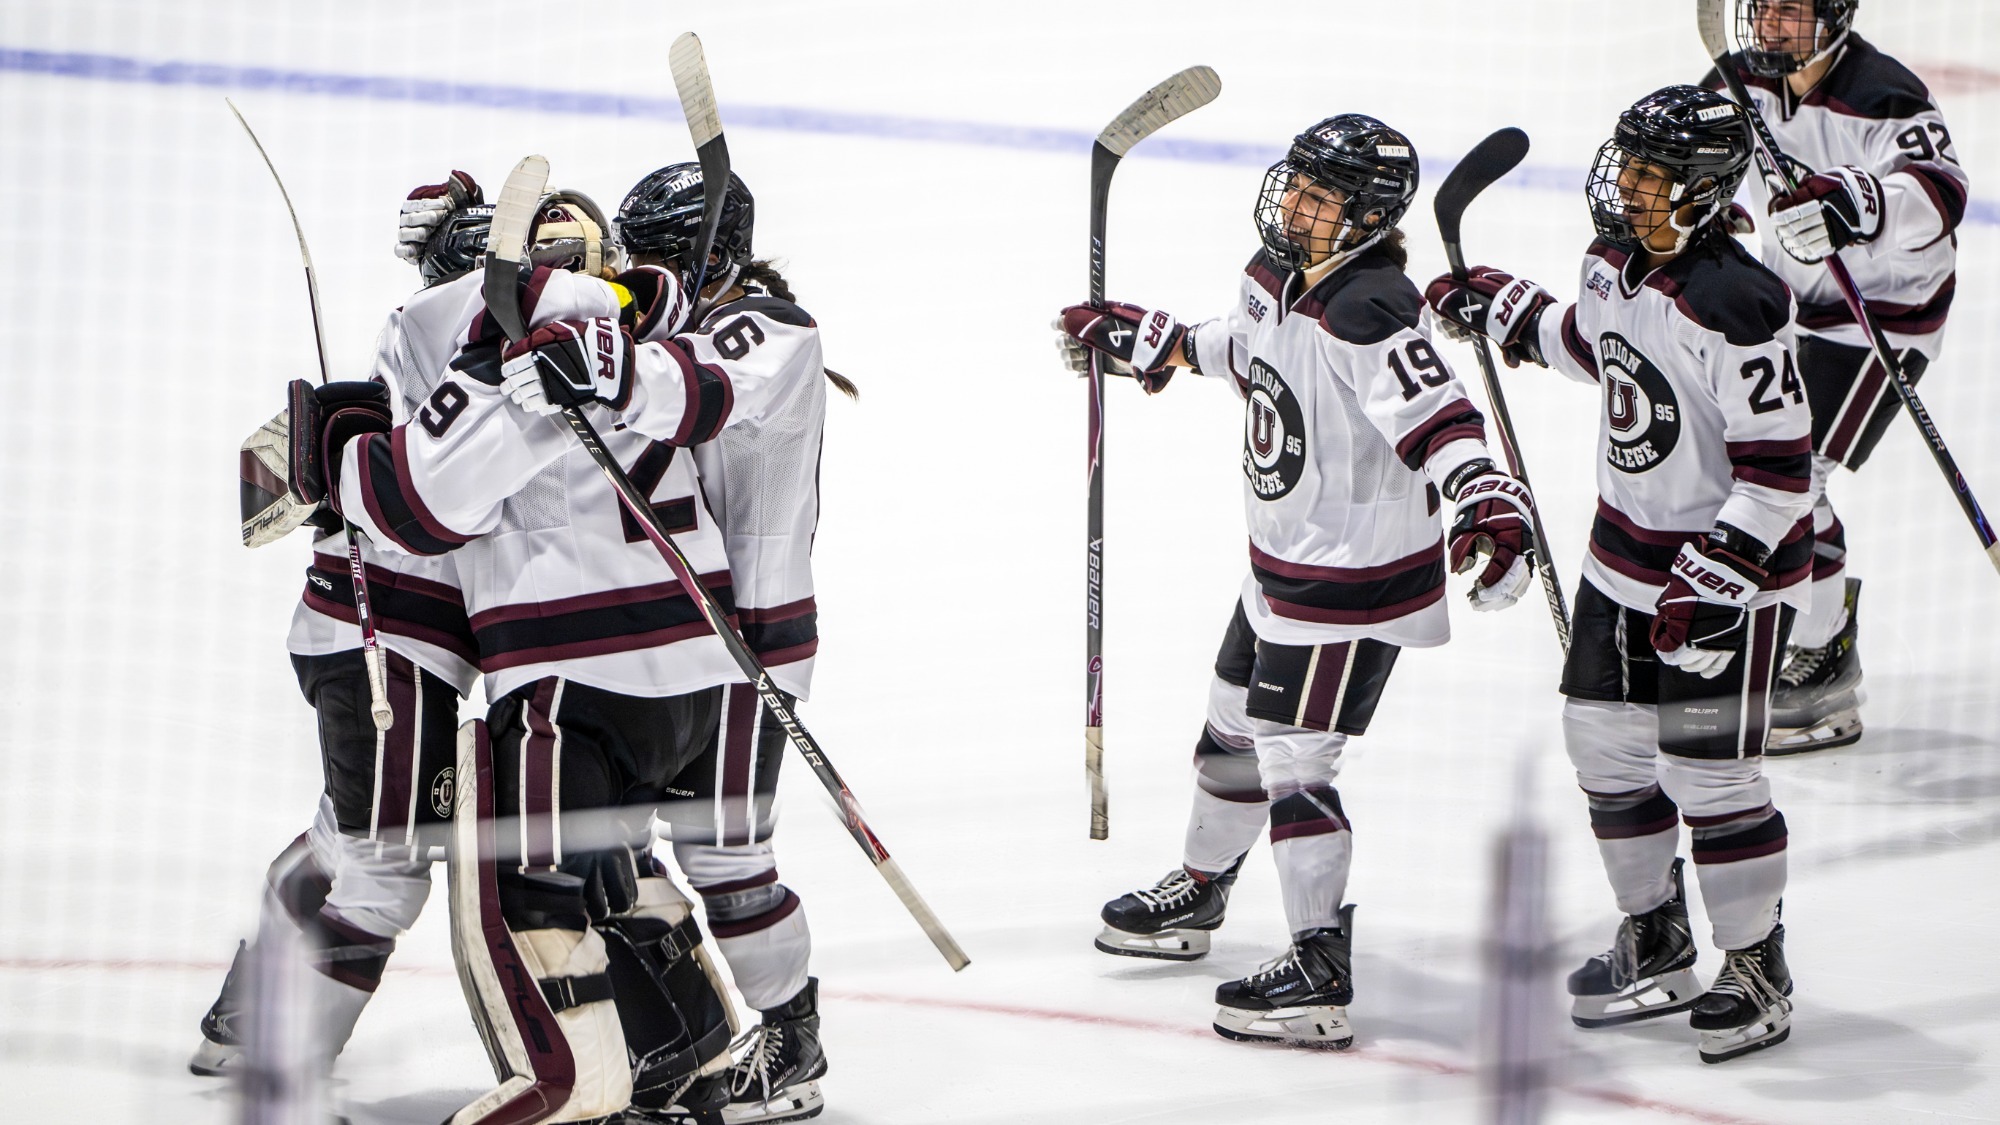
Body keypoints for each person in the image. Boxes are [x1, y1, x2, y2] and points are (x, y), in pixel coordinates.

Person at [1058, 114, 1538, 1049]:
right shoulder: (1275, 273)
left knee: (1292, 756)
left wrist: (1485, 498)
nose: (1298, 206)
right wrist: (1156, 340)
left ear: (1367, 217)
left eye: (1323, 198)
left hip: (1348, 580)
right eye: (1298, 186)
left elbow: (1441, 417)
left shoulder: (1369, 307)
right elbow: (1248, 348)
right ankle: (1202, 889)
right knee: (1230, 722)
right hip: (1280, 564)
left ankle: (1320, 967)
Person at [1425, 84, 1814, 1063]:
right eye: (1626, 167)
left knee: (1709, 776)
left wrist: (1717, 570)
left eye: (1652, 175)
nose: (1629, 188)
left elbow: (1779, 475)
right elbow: (1595, 345)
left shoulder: (1739, 301)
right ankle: (1655, 934)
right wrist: (1511, 315)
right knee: (1600, 749)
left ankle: (1755, 963)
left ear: (1702, 186)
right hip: (1619, 557)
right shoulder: (1611, 262)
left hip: (1731, 574)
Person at [196, 174, 489, 1078]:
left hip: (350, 631)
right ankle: (282, 1052)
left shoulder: (418, 336)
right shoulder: (468, 344)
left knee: (346, 825)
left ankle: (246, 1013)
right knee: (386, 863)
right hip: (389, 647)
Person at [603, 162, 852, 1125]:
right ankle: (679, 1026)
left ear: (712, 252)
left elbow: (680, 396)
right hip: (673, 635)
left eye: (658, 256)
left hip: (748, 635)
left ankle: (790, 1045)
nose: (638, 275)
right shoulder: (687, 320)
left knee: (724, 854)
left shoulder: (770, 330)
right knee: (615, 839)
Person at [1704, 0, 1970, 752]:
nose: (1772, 26)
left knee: (1792, 476)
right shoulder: (1739, 80)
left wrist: (1860, 202)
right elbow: (1708, 159)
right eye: (1763, 9)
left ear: (1834, 19)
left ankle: (1821, 665)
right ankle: (1811, 628)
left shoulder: (1886, 93)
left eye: (1791, 11)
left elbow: (1942, 189)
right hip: (1793, 305)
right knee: (1757, 468)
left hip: (1881, 312)